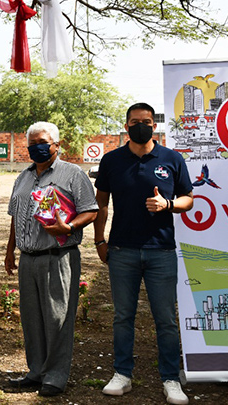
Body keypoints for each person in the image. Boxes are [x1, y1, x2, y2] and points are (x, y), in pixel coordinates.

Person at [94, 103, 193, 404]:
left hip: (161, 251)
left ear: (155, 125)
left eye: (147, 122)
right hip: (122, 250)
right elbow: (101, 204)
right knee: (123, 317)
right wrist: (99, 240)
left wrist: (169, 205)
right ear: (126, 126)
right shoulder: (112, 160)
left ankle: (170, 379)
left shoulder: (171, 158)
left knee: (165, 319)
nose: (142, 126)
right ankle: (122, 374)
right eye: (135, 122)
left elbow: (188, 198)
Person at [4, 122, 98, 396]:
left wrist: (68, 227)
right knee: (31, 319)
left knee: (57, 319)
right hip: (28, 258)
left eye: (43, 142)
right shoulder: (22, 177)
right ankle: (36, 371)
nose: (37, 148)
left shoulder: (72, 174)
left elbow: (90, 211)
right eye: (32, 144)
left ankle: (55, 376)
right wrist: (11, 250)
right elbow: (15, 216)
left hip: (58, 257)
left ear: (57, 144)